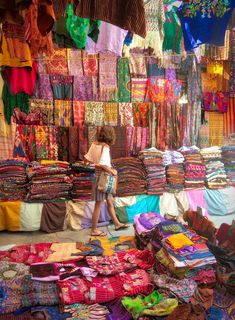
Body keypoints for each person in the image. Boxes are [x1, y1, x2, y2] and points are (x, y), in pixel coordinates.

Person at [84, 125, 129, 237]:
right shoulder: (106, 147)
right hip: (104, 177)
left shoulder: (94, 144)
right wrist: (112, 171)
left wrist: (96, 164)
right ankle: (94, 230)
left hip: (97, 175)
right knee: (98, 205)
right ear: (110, 135)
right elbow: (103, 163)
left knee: (109, 201)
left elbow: (87, 159)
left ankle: (117, 224)